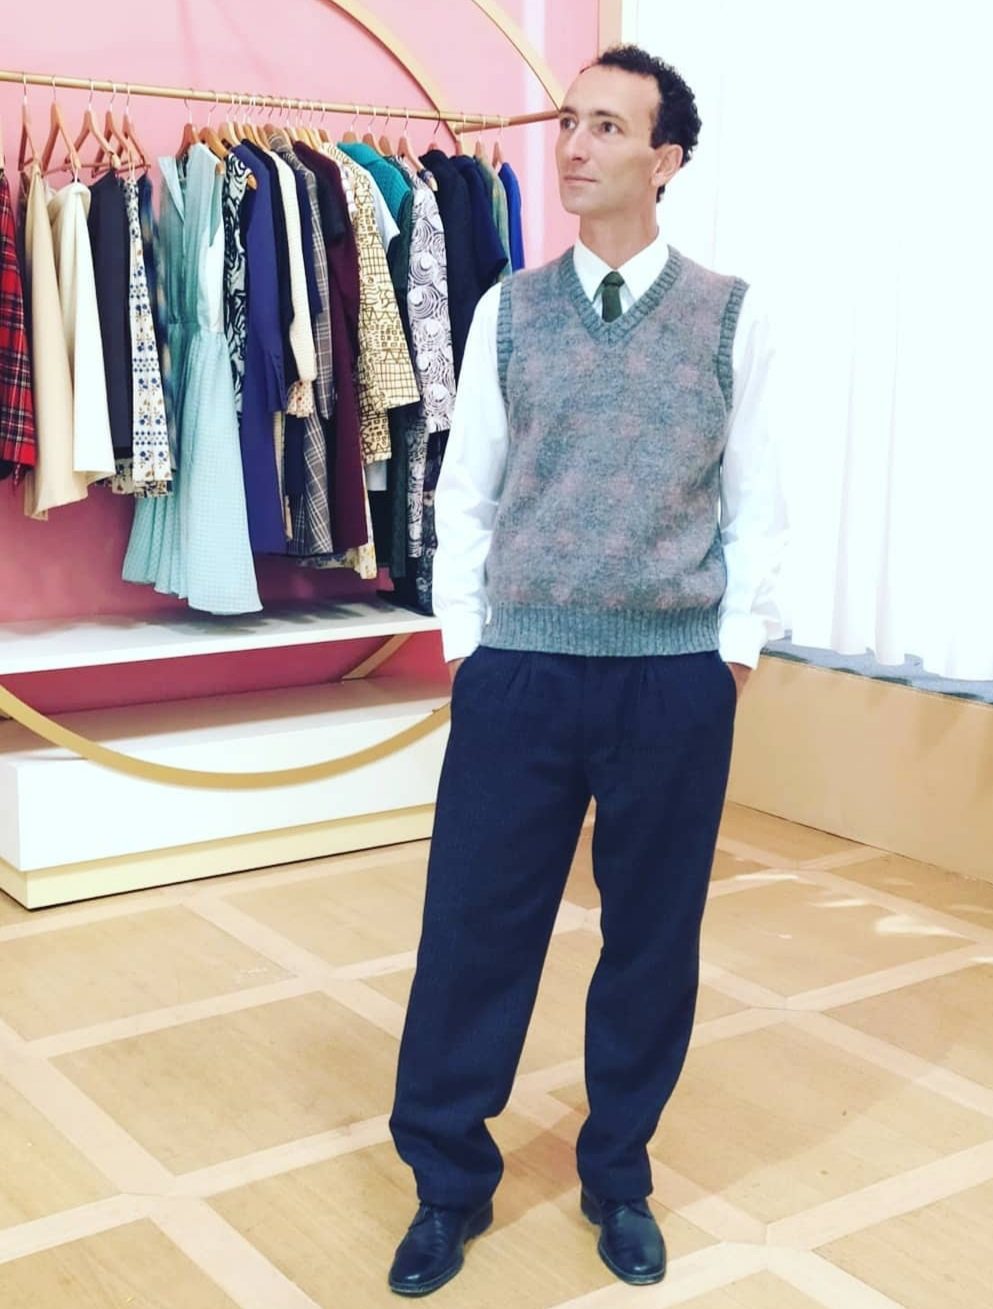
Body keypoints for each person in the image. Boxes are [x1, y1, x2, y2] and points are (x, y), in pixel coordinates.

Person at [386, 43, 786, 1297]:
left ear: (666, 161)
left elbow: (756, 504)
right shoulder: (509, 310)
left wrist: (730, 656)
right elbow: (467, 493)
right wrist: (469, 647)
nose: (573, 145)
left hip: (673, 680)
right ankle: (448, 1181)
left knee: (652, 940)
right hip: (521, 675)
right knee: (472, 929)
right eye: (568, 120)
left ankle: (618, 1172)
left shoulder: (731, 314)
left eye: (607, 127)